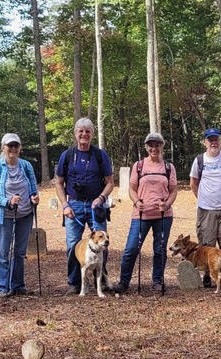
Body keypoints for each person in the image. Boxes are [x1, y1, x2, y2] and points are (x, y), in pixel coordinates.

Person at [55, 117, 114, 295]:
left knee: (102, 243)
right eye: (80, 131)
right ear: (75, 133)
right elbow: (58, 183)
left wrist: (101, 198)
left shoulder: (100, 155)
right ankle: (75, 283)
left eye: (88, 131)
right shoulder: (67, 155)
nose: (84, 134)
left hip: (96, 205)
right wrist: (65, 205)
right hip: (74, 205)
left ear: (92, 134)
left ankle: (102, 281)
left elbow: (110, 182)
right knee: (73, 244)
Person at [113, 133, 178, 294]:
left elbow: (173, 189)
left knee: (160, 249)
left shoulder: (168, 167)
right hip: (141, 215)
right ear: (146, 147)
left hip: (163, 216)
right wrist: (136, 201)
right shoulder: (139, 166)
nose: (154, 148)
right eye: (151, 145)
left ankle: (157, 281)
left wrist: (168, 203)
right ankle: (124, 281)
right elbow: (132, 188)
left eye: (157, 145)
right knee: (131, 248)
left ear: (161, 146)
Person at [0, 133, 40, 297]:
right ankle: (1, 287)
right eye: (10, 146)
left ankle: (17, 285)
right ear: (3, 147)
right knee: (3, 251)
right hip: (5, 214)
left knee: (20, 251)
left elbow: (33, 187)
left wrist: (34, 197)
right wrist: (8, 201)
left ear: (20, 148)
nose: (13, 149)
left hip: (25, 213)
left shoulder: (26, 166)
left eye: (16, 146)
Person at [189, 128, 221, 288]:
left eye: (216, 139)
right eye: (210, 140)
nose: (213, 142)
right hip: (205, 210)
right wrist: (204, 199)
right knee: (206, 244)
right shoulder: (199, 160)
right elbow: (193, 183)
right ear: (205, 143)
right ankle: (208, 276)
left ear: (220, 141)